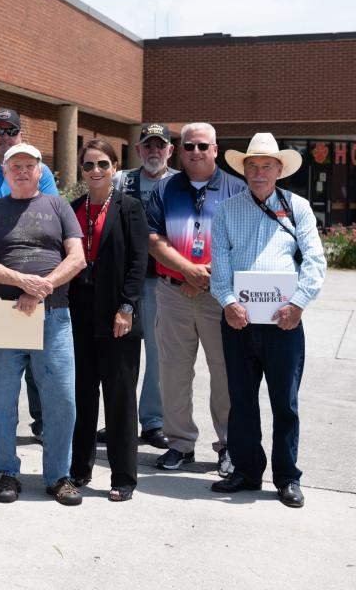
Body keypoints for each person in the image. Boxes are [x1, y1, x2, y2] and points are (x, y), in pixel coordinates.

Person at [209, 133, 326, 508]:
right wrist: (227, 301)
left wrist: (298, 304)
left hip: (283, 323)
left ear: (279, 170)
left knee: (285, 402)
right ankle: (245, 470)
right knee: (241, 400)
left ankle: (287, 476)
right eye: (253, 166)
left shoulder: (299, 208)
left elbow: (314, 260)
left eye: (266, 166)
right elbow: (221, 262)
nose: (259, 172)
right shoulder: (228, 210)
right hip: (238, 322)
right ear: (244, 170)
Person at [0, 143, 85, 506]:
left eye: (29, 166)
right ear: (4, 173)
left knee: (62, 399)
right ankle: (7, 472)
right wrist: (22, 283)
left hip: (53, 314)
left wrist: (41, 289)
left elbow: (78, 257)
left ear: (41, 172)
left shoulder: (58, 206)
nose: (22, 171)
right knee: (2, 400)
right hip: (5, 313)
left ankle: (58, 476)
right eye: (14, 166)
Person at [146, 122, 246, 475]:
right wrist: (189, 271)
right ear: (180, 150)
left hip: (220, 297)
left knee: (225, 373)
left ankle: (229, 445)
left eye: (203, 146)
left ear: (216, 149)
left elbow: (241, 243)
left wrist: (202, 279)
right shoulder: (165, 189)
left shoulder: (237, 189)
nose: (196, 152)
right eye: (189, 146)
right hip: (172, 295)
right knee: (173, 373)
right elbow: (154, 239)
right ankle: (180, 444)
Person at [68, 139, 148, 502]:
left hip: (118, 314)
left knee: (118, 399)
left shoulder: (130, 208)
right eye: (88, 165)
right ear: (81, 171)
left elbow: (138, 263)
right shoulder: (72, 209)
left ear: (115, 167)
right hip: (79, 312)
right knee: (82, 396)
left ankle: (123, 476)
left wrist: (127, 307)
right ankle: (79, 470)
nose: (95, 171)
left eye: (103, 164)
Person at [0, 108, 58, 441]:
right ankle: (0, 419)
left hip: (30, 275)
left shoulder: (42, 172)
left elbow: (49, 217)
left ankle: (40, 421)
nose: (4, 136)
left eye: (11, 131)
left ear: (21, 135)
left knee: (35, 355)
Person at [100, 123, 177, 449]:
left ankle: (154, 422)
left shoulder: (178, 184)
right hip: (125, 284)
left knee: (159, 356)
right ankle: (121, 421)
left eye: (160, 145)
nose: (154, 151)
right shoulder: (122, 180)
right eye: (148, 145)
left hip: (162, 282)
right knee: (122, 355)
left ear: (170, 150)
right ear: (138, 150)